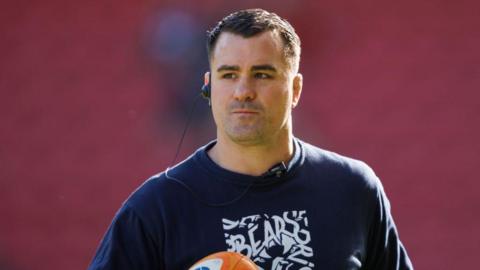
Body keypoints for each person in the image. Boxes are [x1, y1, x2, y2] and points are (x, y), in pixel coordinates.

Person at [89, 8, 413, 270]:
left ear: (296, 89)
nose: (243, 91)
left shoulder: (352, 189)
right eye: (229, 75)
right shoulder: (156, 209)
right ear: (208, 86)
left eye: (262, 74)